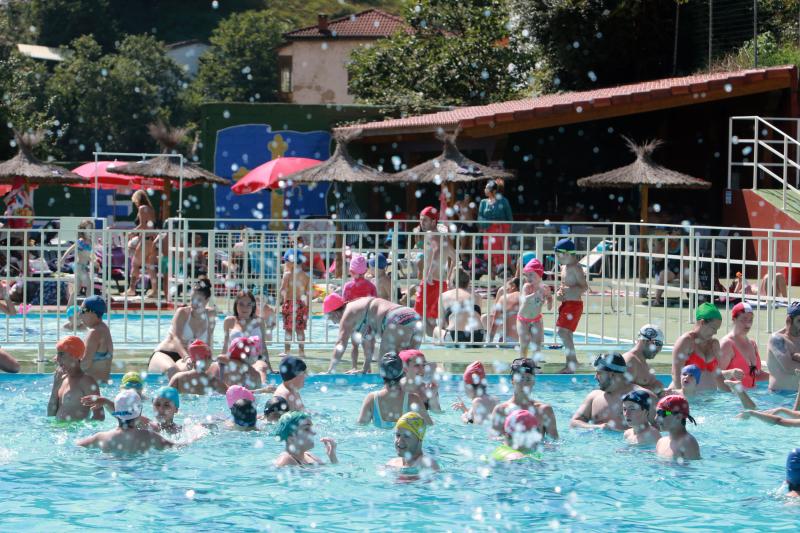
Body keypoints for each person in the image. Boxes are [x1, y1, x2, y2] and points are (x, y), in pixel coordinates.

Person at [323, 295, 422, 374]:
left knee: (385, 365)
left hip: (396, 318)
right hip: (414, 316)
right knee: (410, 366)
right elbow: (369, 344)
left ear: (335, 313)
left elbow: (341, 343)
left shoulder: (347, 314)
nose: (334, 323)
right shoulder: (359, 308)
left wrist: (330, 370)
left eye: (330, 319)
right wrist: (365, 369)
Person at [148, 279, 216, 378]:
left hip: (186, 359)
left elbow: (208, 341)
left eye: (199, 300)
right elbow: (176, 338)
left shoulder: (210, 315)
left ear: (207, 300)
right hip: (166, 354)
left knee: (201, 374)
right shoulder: (182, 313)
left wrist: (209, 359)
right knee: (172, 371)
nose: (194, 303)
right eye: (192, 299)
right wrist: (187, 357)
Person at [570, 353, 654, 431]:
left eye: (599, 373)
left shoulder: (643, 396)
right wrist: (598, 427)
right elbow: (574, 423)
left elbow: (663, 423)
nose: (595, 377)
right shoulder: (593, 397)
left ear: (611, 374)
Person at [76, 390, 174, 454]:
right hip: (139, 472)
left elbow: (77, 445)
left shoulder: (101, 437)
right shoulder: (149, 437)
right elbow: (175, 446)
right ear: (140, 412)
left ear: (116, 413)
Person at [358, 352, 433, 427]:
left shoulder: (372, 399)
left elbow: (361, 426)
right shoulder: (412, 399)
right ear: (403, 372)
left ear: (381, 374)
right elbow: (429, 426)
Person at [490, 358, 559, 439]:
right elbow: (494, 441)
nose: (524, 383)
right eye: (521, 378)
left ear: (533, 382)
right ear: (512, 380)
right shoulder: (500, 410)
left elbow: (554, 442)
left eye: (528, 379)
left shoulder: (544, 410)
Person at [414, 206, 456, 337]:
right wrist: (448, 277)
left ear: (433, 221)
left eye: (425, 220)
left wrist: (430, 273)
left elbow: (437, 252)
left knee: (419, 316)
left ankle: (442, 336)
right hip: (441, 282)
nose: (422, 223)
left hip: (430, 282)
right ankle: (444, 335)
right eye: (421, 220)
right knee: (431, 319)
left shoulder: (431, 234)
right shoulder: (443, 236)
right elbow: (455, 258)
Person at [669, 302, 730, 392]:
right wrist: (681, 398)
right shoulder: (686, 341)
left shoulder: (714, 344)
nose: (715, 333)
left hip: (707, 402)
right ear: (702, 322)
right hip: (687, 400)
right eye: (713, 328)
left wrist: (730, 397)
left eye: (717, 329)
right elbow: (676, 374)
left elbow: (717, 374)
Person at [47, 336, 104, 422]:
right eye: (57, 354)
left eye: (61, 354)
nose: (57, 358)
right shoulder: (61, 380)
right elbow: (51, 415)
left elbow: (99, 416)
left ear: (75, 356)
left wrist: (82, 432)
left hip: (75, 434)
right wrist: (55, 385)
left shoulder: (86, 382)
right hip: (58, 432)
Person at [554, 238, 588, 373]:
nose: (558, 259)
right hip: (567, 303)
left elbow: (584, 287)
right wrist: (559, 294)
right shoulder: (564, 267)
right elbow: (564, 286)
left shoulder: (576, 268)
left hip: (574, 304)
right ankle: (571, 362)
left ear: (567, 254)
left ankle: (572, 362)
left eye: (559, 256)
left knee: (562, 332)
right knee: (566, 333)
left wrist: (570, 291)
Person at [222, 290, 273, 380]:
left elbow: (263, 346)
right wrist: (221, 365)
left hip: (255, 361)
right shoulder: (229, 321)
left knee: (261, 366)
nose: (244, 308)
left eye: (248, 305)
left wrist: (269, 367)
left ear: (253, 306)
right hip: (235, 361)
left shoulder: (259, 321)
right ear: (236, 305)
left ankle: (263, 389)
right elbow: (226, 346)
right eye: (241, 304)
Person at [719, 302, 768, 388]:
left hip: (752, 396)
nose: (748, 324)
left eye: (750, 320)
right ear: (734, 320)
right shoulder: (727, 344)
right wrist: (730, 373)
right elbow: (712, 375)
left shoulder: (752, 344)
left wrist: (779, 378)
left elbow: (757, 374)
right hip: (730, 398)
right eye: (744, 319)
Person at [343, 254, 378, 371]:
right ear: (366, 270)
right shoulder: (371, 286)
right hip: (367, 321)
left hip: (354, 321)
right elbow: (375, 304)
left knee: (354, 346)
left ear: (351, 271)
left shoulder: (348, 286)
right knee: (367, 346)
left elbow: (345, 303)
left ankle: (353, 367)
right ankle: (367, 369)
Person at [436, 270, 485, 346]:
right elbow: (477, 316)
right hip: (478, 336)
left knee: (436, 330)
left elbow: (441, 324)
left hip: (454, 336)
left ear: (453, 282)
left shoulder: (444, 296)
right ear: (468, 282)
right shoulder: (477, 296)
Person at [477, 179, 513, 282]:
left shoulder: (503, 201)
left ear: (493, 191)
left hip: (501, 233)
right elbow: (480, 218)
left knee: (505, 255)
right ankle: (492, 281)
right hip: (488, 233)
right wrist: (490, 223)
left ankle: (513, 279)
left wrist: (503, 225)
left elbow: (510, 219)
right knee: (490, 257)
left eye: (487, 188)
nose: (485, 189)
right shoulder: (483, 203)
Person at [517, 259, 553, 358]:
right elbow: (524, 299)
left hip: (536, 319)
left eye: (531, 275)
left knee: (537, 345)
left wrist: (549, 299)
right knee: (524, 344)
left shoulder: (545, 288)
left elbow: (549, 305)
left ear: (539, 275)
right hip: (523, 319)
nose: (528, 278)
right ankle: (522, 362)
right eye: (526, 275)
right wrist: (536, 294)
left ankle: (535, 364)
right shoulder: (526, 287)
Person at [274, 412, 338, 467]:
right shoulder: (285, 460)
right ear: (291, 438)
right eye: (306, 429)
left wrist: (332, 457)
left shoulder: (310, 456)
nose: (314, 433)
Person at [126, 190, 158, 298]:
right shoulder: (151, 209)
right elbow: (150, 225)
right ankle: (155, 290)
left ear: (137, 199)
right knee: (150, 267)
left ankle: (132, 289)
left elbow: (143, 225)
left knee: (135, 264)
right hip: (152, 240)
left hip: (145, 239)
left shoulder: (141, 208)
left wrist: (132, 232)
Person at [57, 219, 98, 303]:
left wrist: (94, 260)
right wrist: (62, 260)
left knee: (77, 288)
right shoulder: (81, 241)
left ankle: (68, 307)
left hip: (82, 266)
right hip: (79, 266)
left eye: (91, 229)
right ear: (82, 230)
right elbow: (70, 249)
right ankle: (87, 307)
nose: (90, 231)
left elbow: (88, 255)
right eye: (87, 229)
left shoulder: (90, 242)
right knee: (89, 285)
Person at [279, 249, 310, 357]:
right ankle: (301, 352)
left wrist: (280, 301)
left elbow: (282, 290)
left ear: (291, 262)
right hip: (302, 305)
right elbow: (308, 295)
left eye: (285, 261)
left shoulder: (287, 275)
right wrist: (308, 310)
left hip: (290, 304)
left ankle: (287, 352)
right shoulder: (306, 277)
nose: (284, 264)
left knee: (288, 330)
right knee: (300, 330)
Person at [622, 324, 666, 395]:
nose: (659, 349)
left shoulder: (641, 361)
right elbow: (621, 391)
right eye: (657, 343)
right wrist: (654, 388)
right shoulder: (630, 361)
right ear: (645, 341)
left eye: (661, 345)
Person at [655, 395, 700, 461]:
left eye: (661, 414)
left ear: (678, 417)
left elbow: (693, 470)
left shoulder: (688, 443)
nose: (655, 418)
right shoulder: (661, 442)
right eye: (656, 413)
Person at [79, 295, 113, 383]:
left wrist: (66, 363)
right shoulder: (104, 329)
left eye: (83, 310)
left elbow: (85, 364)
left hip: (89, 388)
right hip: (102, 385)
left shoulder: (94, 332)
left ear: (93, 313)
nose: (79, 314)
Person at [767, 302, 800, 391]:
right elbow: (790, 368)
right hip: (779, 397)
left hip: (796, 397)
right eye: (799, 321)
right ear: (789, 320)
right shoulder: (777, 339)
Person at [651, 234, 689, 307]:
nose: (675, 234)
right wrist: (666, 243)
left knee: (692, 276)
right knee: (664, 275)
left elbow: (686, 260)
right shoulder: (661, 242)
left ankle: (702, 300)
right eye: (674, 231)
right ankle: (657, 299)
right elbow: (658, 258)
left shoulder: (682, 243)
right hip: (666, 269)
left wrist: (682, 273)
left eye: (678, 231)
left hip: (679, 269)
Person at [486, 278, 521, 344]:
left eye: (507, 288)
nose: (506, 290)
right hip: (525, 341)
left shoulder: (503, 298)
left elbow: (495, 323)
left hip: (508, 340)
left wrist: (489, 341)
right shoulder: (528, 298)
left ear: (513, 286)